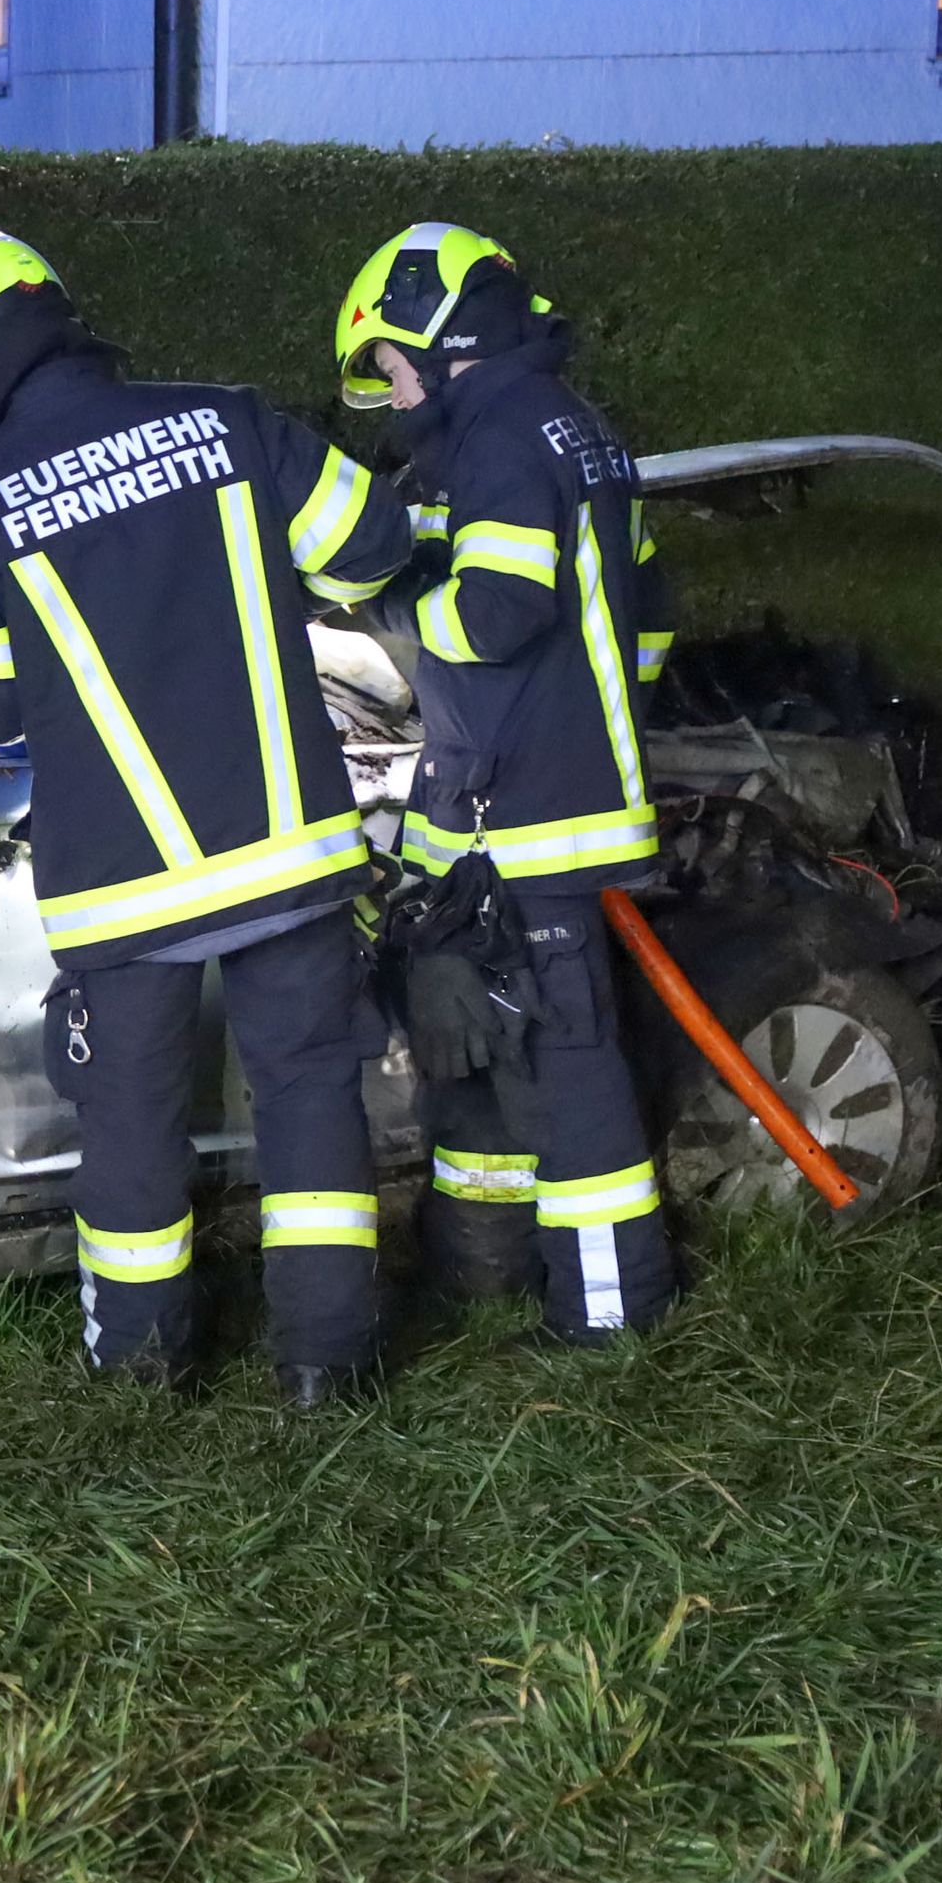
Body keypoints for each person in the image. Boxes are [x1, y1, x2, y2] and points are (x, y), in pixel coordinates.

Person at [0, 228, 419, 1402]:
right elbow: (371, 545)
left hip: (126, 882)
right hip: (289, 848)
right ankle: (325, 1369)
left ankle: (140, 1374)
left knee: (130, 1127)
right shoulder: (228, 421)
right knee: (306, 1100)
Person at [332, 222, 679, 1343]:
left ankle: (611, 1321)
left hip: (536, 815)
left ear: (438, 336)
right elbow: (652, 632)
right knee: (476, 1049)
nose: (387, 391)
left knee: (570, 1073)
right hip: (523, 797)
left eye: (386, 362)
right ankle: (485, 1274)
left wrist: (386, 612)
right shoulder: (576, 433)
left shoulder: (499, 439)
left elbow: (492, 612)